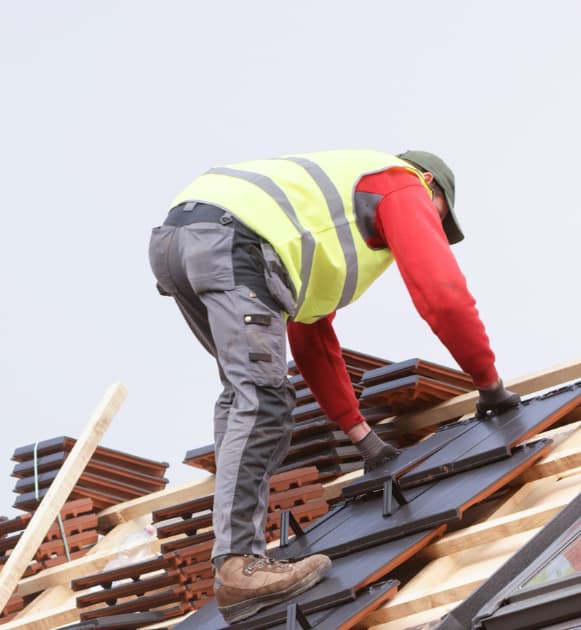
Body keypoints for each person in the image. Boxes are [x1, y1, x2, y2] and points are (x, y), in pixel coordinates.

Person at [148, 149, 520, 622]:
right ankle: (239, 566)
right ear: (431, 184)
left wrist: (362, 438)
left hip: (183, 241)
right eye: (440, 216)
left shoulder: (318, 235)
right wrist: (489, 384)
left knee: (245, 394)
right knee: (261, 399)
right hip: (232, 239)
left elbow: (312, 339)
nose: (434, 228)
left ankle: (236, 560)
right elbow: (442, 295)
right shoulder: (400, 184)